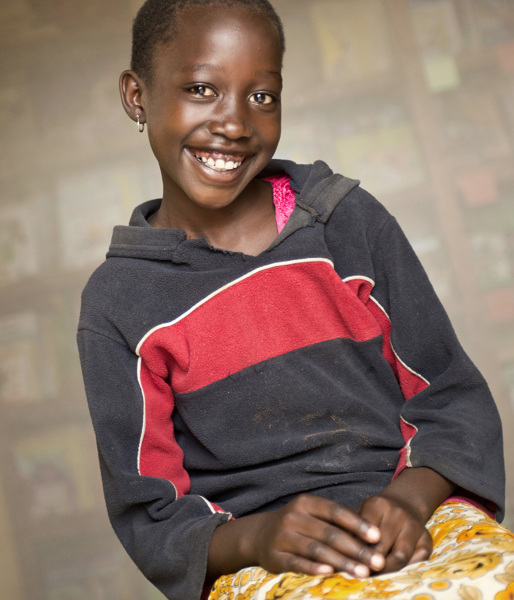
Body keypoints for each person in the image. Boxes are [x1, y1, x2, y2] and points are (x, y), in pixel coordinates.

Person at [77, 1, 513, 599]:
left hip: (415, 515)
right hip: (258, 560)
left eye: (262, 96)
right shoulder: (118, 305)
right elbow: (152, 513)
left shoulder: (347, 223)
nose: (234, 123)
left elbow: (451, 396)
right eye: (202, 89)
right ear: (136, 96)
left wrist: (409, 502)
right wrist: (258, 538)